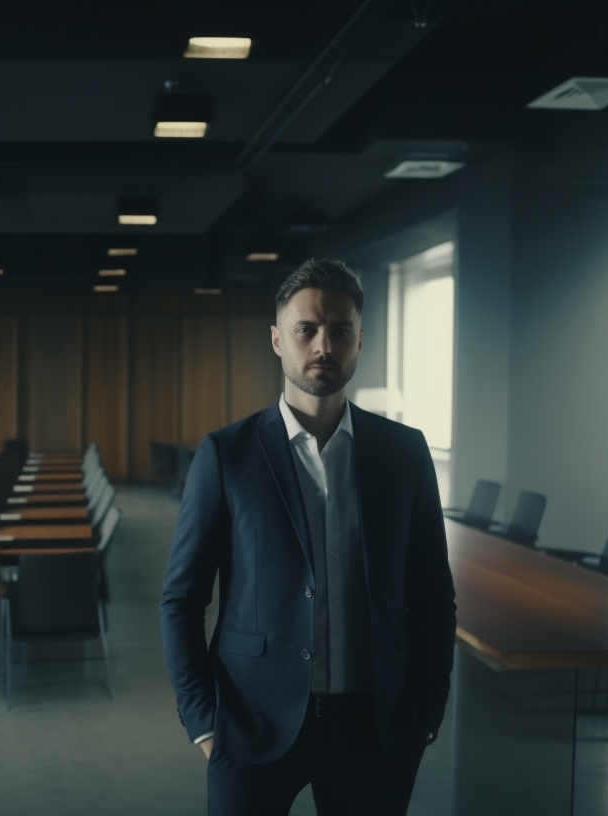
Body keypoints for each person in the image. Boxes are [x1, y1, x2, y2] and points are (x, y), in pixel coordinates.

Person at [160, 258, 457, 816]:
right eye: (306, 330)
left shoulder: (404, 452)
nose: (324, 344)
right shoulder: (227, 454)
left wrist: (425, 715)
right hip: (251, 721)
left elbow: (433, 598)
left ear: (360, 340)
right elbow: (180, 600)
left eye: (340, 330)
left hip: (376, 728)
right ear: (277, 340)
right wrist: (203, 721)